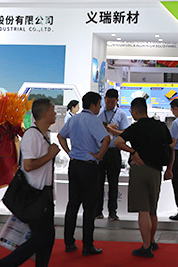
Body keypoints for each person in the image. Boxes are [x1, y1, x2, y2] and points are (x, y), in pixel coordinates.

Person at [0, 98, 59, 267]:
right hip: (34, 194)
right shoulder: (32, 135)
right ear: (44, 113)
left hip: (44, 193)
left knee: (47, 236)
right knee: (41, 237)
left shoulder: (44, 134)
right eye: (53, 110)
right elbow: (28, 165)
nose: (55, 113)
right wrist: (50, 155)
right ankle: (3, 264)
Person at [115, 96, 174, 258]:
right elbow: (171, 148)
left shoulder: (135, 128)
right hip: (156, 171)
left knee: (143, 210)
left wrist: (133, 152)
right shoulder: (160, 126)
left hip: (140, 170)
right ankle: (152, 241)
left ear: (134, 111)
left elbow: (118, 142)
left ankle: (146, 246)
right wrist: (169, 169)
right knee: (153, 210)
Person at [58, 91, 110, 256]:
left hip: (74, 165)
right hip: (89, 166)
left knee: (73, 204)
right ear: (93, 105)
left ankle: (69, 242)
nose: (100, 107)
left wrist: (69, 152)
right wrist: (99, 155)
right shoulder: (93, 120)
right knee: (89, 207)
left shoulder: (73, 119)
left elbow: (60, 136)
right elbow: (107, 139)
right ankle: (87, 245)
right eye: (99, 104)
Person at [96, 88, 130, 220]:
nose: (109, 104)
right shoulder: (99, 112)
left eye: (112, 102)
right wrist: (108, 127)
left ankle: (112, 211)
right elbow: (95, 129)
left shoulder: (121, 114)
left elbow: (125, 133)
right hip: (101, 151)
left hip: (114, 151)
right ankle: (98, 211)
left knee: (113, 182)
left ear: (117, 101)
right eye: (107, 101)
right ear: (104, 99)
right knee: (98, 182)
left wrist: (109, 129)